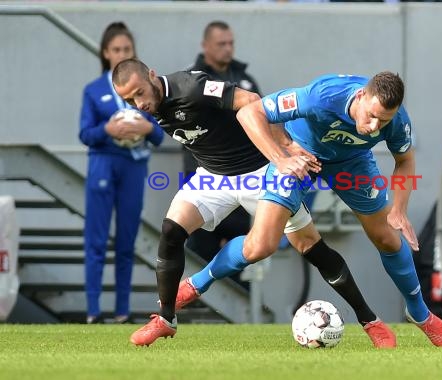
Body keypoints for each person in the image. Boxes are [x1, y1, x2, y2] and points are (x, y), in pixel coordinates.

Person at [113, 58, 394, 347]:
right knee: (171, 231)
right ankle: (165, 319)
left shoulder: (191, 87)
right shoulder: (153, 108)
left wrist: (283, 149)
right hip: (213, 176)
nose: (138, 103)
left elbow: (253, 103)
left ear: (151, 75)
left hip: (259, 171)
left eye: (139, 92)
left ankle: (370, 321)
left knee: (311, 246)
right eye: (129, 99)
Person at [174, 72, 442, 347]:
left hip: (351, 163)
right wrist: (282, 157)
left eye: (382, 121)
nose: (374, 126)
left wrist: (399, 209)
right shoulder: (321, 95)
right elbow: (249, 113)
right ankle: (197, 283)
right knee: (260, 245)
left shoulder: (396, 121)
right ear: (361, 96)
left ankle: (420, 314)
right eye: (371, 116)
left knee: (387, 236)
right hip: (300, 154)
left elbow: (405, 161)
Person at [79, 22, 164, 324]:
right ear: (105, 53)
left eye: (126, 49)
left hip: (134, 167)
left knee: (127, 242)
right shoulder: (94, 90)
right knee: (96, 241)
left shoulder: (145, 91)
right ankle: (92, 311)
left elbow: (160, 136)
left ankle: (122, 312)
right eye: (116, 49)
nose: (121, 54)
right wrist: (108, 129)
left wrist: (147, 127)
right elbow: (85, 134)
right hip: (103, 163)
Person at [183, 21, 262, 286]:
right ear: (205, 46)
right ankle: (198, 315)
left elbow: (261, 116)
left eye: (231, 43)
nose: (228, 49)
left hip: (245, 180)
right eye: (221, 44)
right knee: (200, 254)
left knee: (242, 259)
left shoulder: (245, 79)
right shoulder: (191, 81)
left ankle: (240, 320)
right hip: (209, 181)